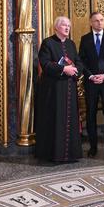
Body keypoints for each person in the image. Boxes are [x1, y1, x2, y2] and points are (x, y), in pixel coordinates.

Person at [35, 16, 83, 162]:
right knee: (56, 120)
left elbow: (79, 62)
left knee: (70, 120)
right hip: (54, 90)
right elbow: (45, 64)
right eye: (64, 25)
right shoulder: (48, 43)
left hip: (69, 88)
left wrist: (76, 71)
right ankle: (55, 154)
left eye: (68, 25)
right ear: (56, 27)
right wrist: (63, 69)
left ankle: (71, 154)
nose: (67, 28)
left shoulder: (71, 44)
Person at [79, 12, 104, 157]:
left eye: (102, 20)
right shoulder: (85, 39)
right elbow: (81, 61)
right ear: (91, 23)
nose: (100, 23)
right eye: (96, 21)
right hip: (91, 82)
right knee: (91, 114)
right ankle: (93, 147)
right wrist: (90, 75)